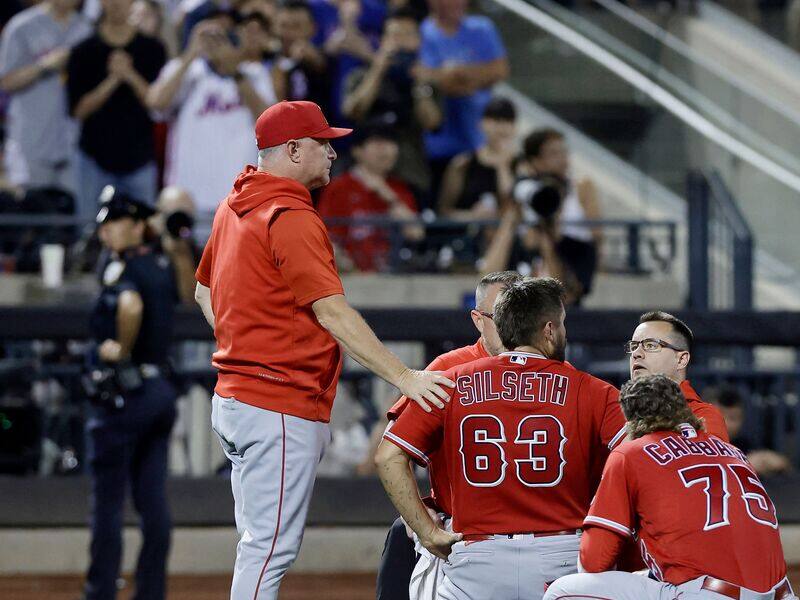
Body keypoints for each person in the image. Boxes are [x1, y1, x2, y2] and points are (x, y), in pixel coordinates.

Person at [193, 100, 454, 600]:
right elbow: (333, 313)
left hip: (235, 399)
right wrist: (406, 378)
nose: (334, 153)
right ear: (292, 149)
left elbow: (205, 292)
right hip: (277, 404)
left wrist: (240, 340)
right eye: (322, 143)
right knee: (269, 551)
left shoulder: (235, 203)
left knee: (256, 545)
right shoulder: (288, 213)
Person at [375, 277, 627, 600]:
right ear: (549, 330)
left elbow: (387, 456)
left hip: (476, 553)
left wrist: (427, 532)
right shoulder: (587, 387)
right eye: (562, 324)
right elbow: (638, 459)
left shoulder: (450, 381)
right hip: (561, 555)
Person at [543, 374, 794, 600]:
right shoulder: (734, 451)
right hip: (780, 593)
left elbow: (593, 562)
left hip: (707, 595)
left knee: (561, 591)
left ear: (631, 420)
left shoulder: (633, 451)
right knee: (648, 576)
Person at [373, 270, 522, 600]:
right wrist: (420, 521)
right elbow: (390, 450)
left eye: (520, 312)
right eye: (500, 315)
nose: (512, 324)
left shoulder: (550, 370)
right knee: (402, 536)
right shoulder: (448, 368)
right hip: (460, 531)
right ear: (477, 320)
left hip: (533, 534)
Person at [84, 186, 179, 600]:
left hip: (129, 394)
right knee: (153, 503)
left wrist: (120, 348)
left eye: (116, 223)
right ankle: (151, 593)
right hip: (160, 389)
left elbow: (130, 308)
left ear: (139, 225)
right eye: (105, 225)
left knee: (108, 503)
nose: (107, 232)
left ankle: (101, 591)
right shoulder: (159, 265)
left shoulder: (125, 271)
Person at [147, 14, 277, 213]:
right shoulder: (186, 70)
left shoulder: (254, 73)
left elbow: (270, 123)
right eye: (210, 36)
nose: (218, 43)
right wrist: (191, 53)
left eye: (224, 35)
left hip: (240, 198)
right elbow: (156, 103)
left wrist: (235, 73)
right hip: (188, 195)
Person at [66, 0, 167, 221]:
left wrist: (129, 74)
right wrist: (112, 79)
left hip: (139, 157)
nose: (117, 4)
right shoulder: (83, 51)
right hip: (94, 158)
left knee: (145, 232)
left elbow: (158, 103)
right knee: (89, 233)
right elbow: (78, 111)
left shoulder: (153, 49)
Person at [416, 0, 508, 204]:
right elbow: (428, 76)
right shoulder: (422, 32)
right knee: (444, 207)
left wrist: (456, 73)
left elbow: (499, 70)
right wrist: (474, 77)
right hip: (440, 144)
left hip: (480, 141)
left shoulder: (482, 27)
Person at [342, 6, 441, 195]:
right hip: (362, 174)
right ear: (383, 40)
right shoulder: (360, 75)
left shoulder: (427, 82)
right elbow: (352, 111)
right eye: (395, 35)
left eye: (407, 35)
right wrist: (377, 71)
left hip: (410, 173)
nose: (400, 42)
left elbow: (432, 122)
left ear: (418, 42)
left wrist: (420, 85)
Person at [0, 0, 91, 192]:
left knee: (77, 216)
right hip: (31, 142)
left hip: (74, 141)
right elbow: (5, 81)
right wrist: (44, 65)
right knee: (32, 212)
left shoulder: (87, 28)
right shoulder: (22, 26)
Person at [317, 124, 424, 272]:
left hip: (393, 276)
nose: (386, 150)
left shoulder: (400, 189)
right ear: (357, 151)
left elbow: (416, 233)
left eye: (390, 143)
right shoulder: (339, 187)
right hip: (350, 276)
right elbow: (325, 238)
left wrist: (387, 196)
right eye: (377, 143)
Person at [628, 311, 729, 441]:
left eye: (650, 345)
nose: (636, 353)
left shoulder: (702, 416)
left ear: (681, 359)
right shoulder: (619, 413)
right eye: (634, 346)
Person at [714, 386, 791, 476]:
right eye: (719, 415)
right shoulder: (696, 442)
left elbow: (780, 464)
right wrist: (745, 464)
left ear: (742, 420)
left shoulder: (743, 444)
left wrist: (769, 459)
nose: (725, 423)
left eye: (733, 418)